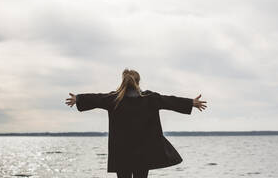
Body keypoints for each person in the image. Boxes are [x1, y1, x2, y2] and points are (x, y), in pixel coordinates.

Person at [65, 68, 207, 178]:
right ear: (138, 82)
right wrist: (191, 103)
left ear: (123, 82)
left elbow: (96, 98)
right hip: (143, 152)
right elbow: (170, 101)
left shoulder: (114, 99)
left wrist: (78, 98)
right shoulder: (150, 98)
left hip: (121, 152)